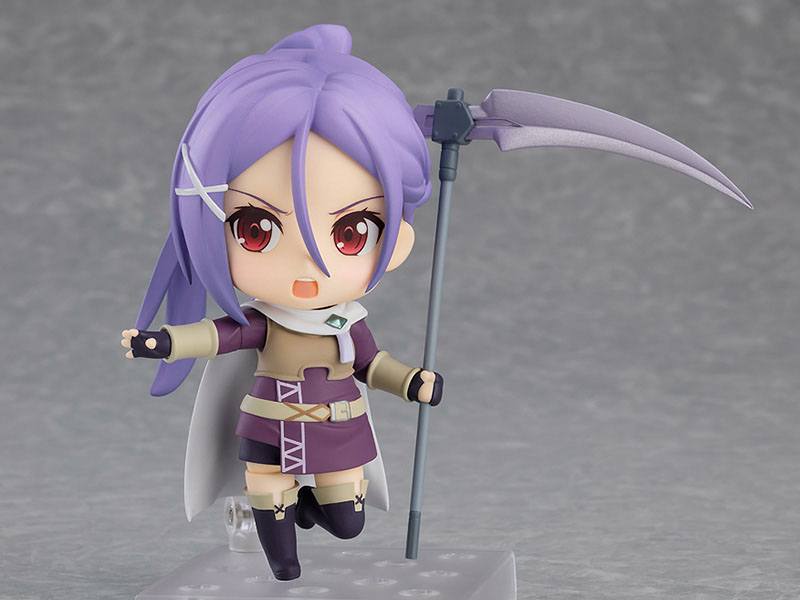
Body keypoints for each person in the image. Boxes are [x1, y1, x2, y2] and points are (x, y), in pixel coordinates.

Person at [120, 24, 443, 581]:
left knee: (348, 522)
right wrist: (162, 342)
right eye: (256, 229)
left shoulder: (347, 322)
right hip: (268, 431)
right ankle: (284, 561)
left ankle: (305, 509)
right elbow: (216, 335)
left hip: (338, 431)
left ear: (396, 242)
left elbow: (372, 364)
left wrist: (413, 382)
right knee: (274, 521)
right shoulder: (262, 322)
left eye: (351, 233)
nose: (306, 264)